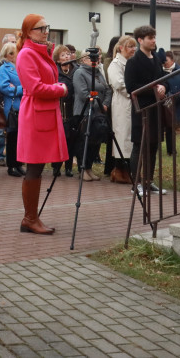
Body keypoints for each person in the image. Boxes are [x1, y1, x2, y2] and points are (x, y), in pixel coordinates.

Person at [15, 14, 69, 235]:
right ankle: (29, 218)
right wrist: (61, 89)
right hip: (35, 114)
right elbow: (35, 88)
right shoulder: (27, 54)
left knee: (37, 167)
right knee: (34, 166)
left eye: (47, 27)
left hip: (44, 113)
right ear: (29, 32)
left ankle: (32, 217)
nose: (46, 31)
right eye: (40, 28)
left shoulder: (39, 52)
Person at [124, 25, 168, 197]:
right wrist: (154, 89)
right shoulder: (133, 62)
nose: (154, 41)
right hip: (142, 108)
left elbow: (164, 78)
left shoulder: (156, 59)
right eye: (150, 38)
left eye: (154, 37)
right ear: (140, 40)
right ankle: (136, 183)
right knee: (140, 145)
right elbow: (131, 87)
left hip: (156, 108)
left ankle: (149, 181)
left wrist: (164, 86)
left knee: (153, 145)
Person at [73, 48, 110, 182]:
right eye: (90, 58)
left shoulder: (99, 72)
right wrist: (99, 105)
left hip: (99, 113)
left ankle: (89, 167)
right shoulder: (79, 73)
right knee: (85, 141)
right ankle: (82, 169)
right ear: (83, 60)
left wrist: (104, 105)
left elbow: (107, 90)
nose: (94, 61)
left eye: (96, 58)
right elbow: (83, 94)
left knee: (96, 142)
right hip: (84, 112)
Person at [107, 36, 136, 184]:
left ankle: (128, 171)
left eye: (134, 47)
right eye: (130, 46)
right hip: (122, 103)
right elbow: (119, 84)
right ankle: (119, 171)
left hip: (132, 102)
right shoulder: (115, 64)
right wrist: (134, 91)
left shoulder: (131, 64)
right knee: (122, 136)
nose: (133, 50)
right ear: (121, 48)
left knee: (130, 137)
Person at [0, 42, 25, 177]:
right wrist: (21, 89)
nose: (14, 55)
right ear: (6, 55)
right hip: (12, 107)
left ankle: (19, 163)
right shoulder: (4, 68)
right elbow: (4, 87)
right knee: (13, 136)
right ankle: (11, 165)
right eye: (11, 53)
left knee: (21, 137)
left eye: (16, 52)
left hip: (24, 106)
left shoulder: (21, 67)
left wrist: (17, 88)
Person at [52, 44, 76, 178]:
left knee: (71, 140)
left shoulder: (75, 70)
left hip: (73, 109)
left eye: (67, 54)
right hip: (61, 109)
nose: (66, 56)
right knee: (59, 140)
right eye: (63, 55)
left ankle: (68, 167)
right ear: (57, 59)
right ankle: (56, 167)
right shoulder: (55, 72)